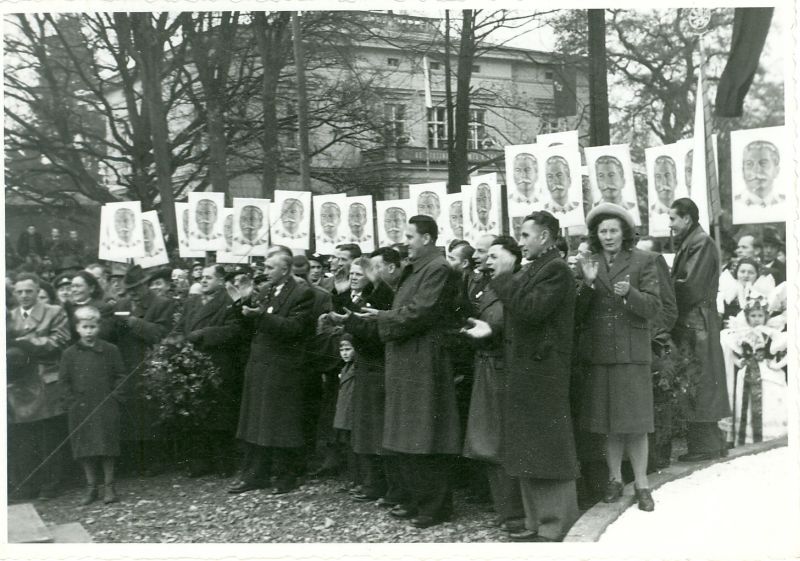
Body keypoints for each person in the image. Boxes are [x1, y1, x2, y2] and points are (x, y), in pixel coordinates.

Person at [472, 211, 579, 541]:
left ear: (544, 237)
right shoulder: (539, 268)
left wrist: (504, 277)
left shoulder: (556, 269)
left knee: (546, 450)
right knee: (531, 449)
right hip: (530, 371)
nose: (520, 242)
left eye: (525, 235)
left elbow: (532, 311)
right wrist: (494, 327)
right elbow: (523, 313)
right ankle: (537, 522)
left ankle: (555, 524)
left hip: (543, 373)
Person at [350, 215, 462, 529]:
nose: (405, 241)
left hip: (423, 360)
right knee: (409, 433)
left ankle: (435, 506)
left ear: (427, 238)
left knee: (425, 434)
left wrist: (382, 316)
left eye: (410, 236)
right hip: (407, 360)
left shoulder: (436, 268)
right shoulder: (418, 268)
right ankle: (419, 500)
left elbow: (422, 312)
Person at [576, 203, 661, 512]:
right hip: (600, 354)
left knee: (636, 424)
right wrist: (586, 283)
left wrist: (631, 295)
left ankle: (642, 484)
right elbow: (577, 312)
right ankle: (614, 479)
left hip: (631, 355)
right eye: (603, 231)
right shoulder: (588, 262)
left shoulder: (645, 260)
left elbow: (655, 308)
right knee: (609, 424)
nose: (608, 236)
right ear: (595, 235)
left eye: (614, 230)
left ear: (624, 232)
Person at [230, 253, 315, 494]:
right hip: (259, 364)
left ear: (286, 269)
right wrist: (242, 306)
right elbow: (249, 326)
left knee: (281, 423)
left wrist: (261, 316)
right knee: (256, 421)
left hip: (282, 367)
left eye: (270, 267)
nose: (265, 271)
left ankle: (286, 475)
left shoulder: (301, 293)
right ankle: (256, 474)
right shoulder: (266, 290)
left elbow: (295, 328)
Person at [460, 235, 526, 533]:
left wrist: (491, 331)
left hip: (503, 370)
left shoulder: (518, 284)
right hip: (486, 367)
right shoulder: (486, 285)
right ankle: (505, 510)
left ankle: (514, 513)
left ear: (512, 257)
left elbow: (517, 325)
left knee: (501, 442)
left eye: (493, 255)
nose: (486, 260)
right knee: (487, 441)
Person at [668, 198, 731, 461]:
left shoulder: (700, 242)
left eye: (673, 218)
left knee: (700, 380)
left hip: (697, 321)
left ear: (687, 219)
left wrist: (664, 287)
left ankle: (706, 445)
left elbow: (690, 286)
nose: (669, 224)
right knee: (700, 379)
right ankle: (710, 443)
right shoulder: (694, 241)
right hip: (697, 320)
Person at [173, 265, 244, 477]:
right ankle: (200, 462)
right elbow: (179, 326)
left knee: (220, 415)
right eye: (201, 278)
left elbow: (235, 330)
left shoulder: (230, 301)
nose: (203, 281)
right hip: (192, 364)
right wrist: (175, 342)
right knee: (196, 413)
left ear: (221, 281)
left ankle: (224, 462)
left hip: (219, 364)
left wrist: (205, 333)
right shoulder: (192, 301)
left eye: (209, 278)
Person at [7, 273, 71, 500]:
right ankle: (25, 486)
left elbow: (59, 341)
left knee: (47, 437)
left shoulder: (54, 312)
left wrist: (24, 341)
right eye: (20, 291)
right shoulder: (9, 316)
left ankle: (50, 485)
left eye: (29, 291)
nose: (24, 295)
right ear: (14, 293)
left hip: (44, 379)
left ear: (37, 291)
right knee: (21, 438)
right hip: (17, 383)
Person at [110, 265, 176, 475]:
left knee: (151, 414)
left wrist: (133, 322)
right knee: (130, 414)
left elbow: (161, 333)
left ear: (146, 285)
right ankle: (134, 462)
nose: (132, 294)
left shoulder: (162, 304)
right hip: (127, 364)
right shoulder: (122, 303)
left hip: (150, 365)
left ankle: (155, 460)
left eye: (136, 289)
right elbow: (114, 330)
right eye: (129, 290)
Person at [60, 305, 126, 505]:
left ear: (99, 327)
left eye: (93, 326)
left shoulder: (110, 350)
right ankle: (91, 487)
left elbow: (121, 376)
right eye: (84, 327)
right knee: (84, 447)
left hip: (105, 405)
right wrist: (71, 402)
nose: (89, 331)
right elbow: (63, 381)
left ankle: (109, 486)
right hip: (80, 407)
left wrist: (115, 397)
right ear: (77, 328)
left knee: (107, 446)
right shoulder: (69, 354)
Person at [721, 296, 788, 447]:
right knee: (746, 404)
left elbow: (792, 347)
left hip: (768, 373)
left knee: (769, 404)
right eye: (753, 316)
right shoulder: (740, 333)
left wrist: (778, 365)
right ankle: (747, 440)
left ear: (766, 316)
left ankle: (771, 438)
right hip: (746, 374)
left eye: (760, 315)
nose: (757, 319)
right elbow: (733, 354)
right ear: (746, 317)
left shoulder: (772, 333)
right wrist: (740, 362)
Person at [331, 335, 358, 488]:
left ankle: (356, 480)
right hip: (345, 412)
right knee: (348, 446)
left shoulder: (355, 368)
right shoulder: (345, 368)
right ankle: (352, 479)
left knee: (353, 447)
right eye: (342, 350)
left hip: (351, 413)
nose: (344, 353)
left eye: (348, 349)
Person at [736, 140, 784, 208]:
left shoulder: (786, 203)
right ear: (743, 171)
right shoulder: (736, 203)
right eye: (749, 164)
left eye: (763, 163)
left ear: (776, 171)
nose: (756, 170)